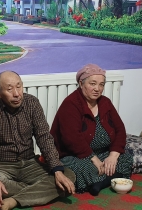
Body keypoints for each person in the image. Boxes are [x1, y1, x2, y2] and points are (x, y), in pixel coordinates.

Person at [0, 71, 76, 210]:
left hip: (29, 163)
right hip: (1, 166)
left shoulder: (32, 103)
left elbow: (44, 137)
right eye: (9, 89)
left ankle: (14, 200)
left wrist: (57, 170)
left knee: (68, 175)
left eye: (19, 87)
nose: (16, 94)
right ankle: (37, 192)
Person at [51, 64, 133, 196]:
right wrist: (93, 158)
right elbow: (72, 139)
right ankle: (109, 179)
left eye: (101, 84)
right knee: (86, 168)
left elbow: (120, 130)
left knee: (126, 157)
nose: (97, 89)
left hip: (101, 153)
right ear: (81, 83)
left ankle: (100, 182)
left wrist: (113, 156)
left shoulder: (105, 103)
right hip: (75, 155)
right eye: (92, 84)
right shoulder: (70, 104)